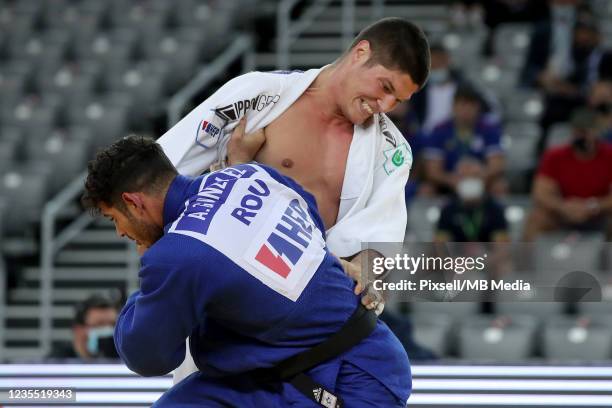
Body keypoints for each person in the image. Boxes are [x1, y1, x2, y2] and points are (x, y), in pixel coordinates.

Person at [157, 17, 432, 380]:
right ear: (360, 53)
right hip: (223, 301)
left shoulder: (393, 151)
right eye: (384, 87)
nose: (385, 105)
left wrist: (368, 276)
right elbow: (163, 173)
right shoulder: (258, 96)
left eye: (398, 99)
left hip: (304, 321)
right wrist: (228, 168)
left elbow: (378, 239)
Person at [82, 135, 412, 407]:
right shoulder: (249, 175)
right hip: (299, 368)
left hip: (346, 381)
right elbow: (309, 211)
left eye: (116, 219)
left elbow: (148, 356)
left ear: (135, 202)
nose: (121, 232)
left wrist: (140, 295)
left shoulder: (177, 254)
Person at [524, 108, 612, 240]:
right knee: (536, 219)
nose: (584, 137)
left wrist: (592, 206)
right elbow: (541, 193)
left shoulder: (609, 156)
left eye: (588, 132)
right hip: (563, 214)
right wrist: (563, 207)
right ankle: (526, 260)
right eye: (579, 132)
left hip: (599, 215)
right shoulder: (555, 156)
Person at [422, 85, 505, 196]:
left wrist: (478, 175)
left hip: (482, 180)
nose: (466, 110)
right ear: (453, 107)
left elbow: (496, 165)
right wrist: (452, 179)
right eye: (462, 105)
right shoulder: (440, 130)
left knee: (500, 186)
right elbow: (433, 171)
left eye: (471, 106)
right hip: (449, 182)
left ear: (478, 107)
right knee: (426, 189)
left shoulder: (489, 129)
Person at [435, 158, 509, 243]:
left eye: (474, 176)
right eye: (464, 176)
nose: (469, 181)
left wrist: (484, 256)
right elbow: (439, 247)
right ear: (455, 180)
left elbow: (502, 248)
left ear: (483, 179)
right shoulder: (447, 211)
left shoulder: (495, 210)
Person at [47, 294, 119, 360]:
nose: (108, 330)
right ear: (78, 329)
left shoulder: (124, 361)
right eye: (99, 324)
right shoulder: (56, 363)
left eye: (113, 324)